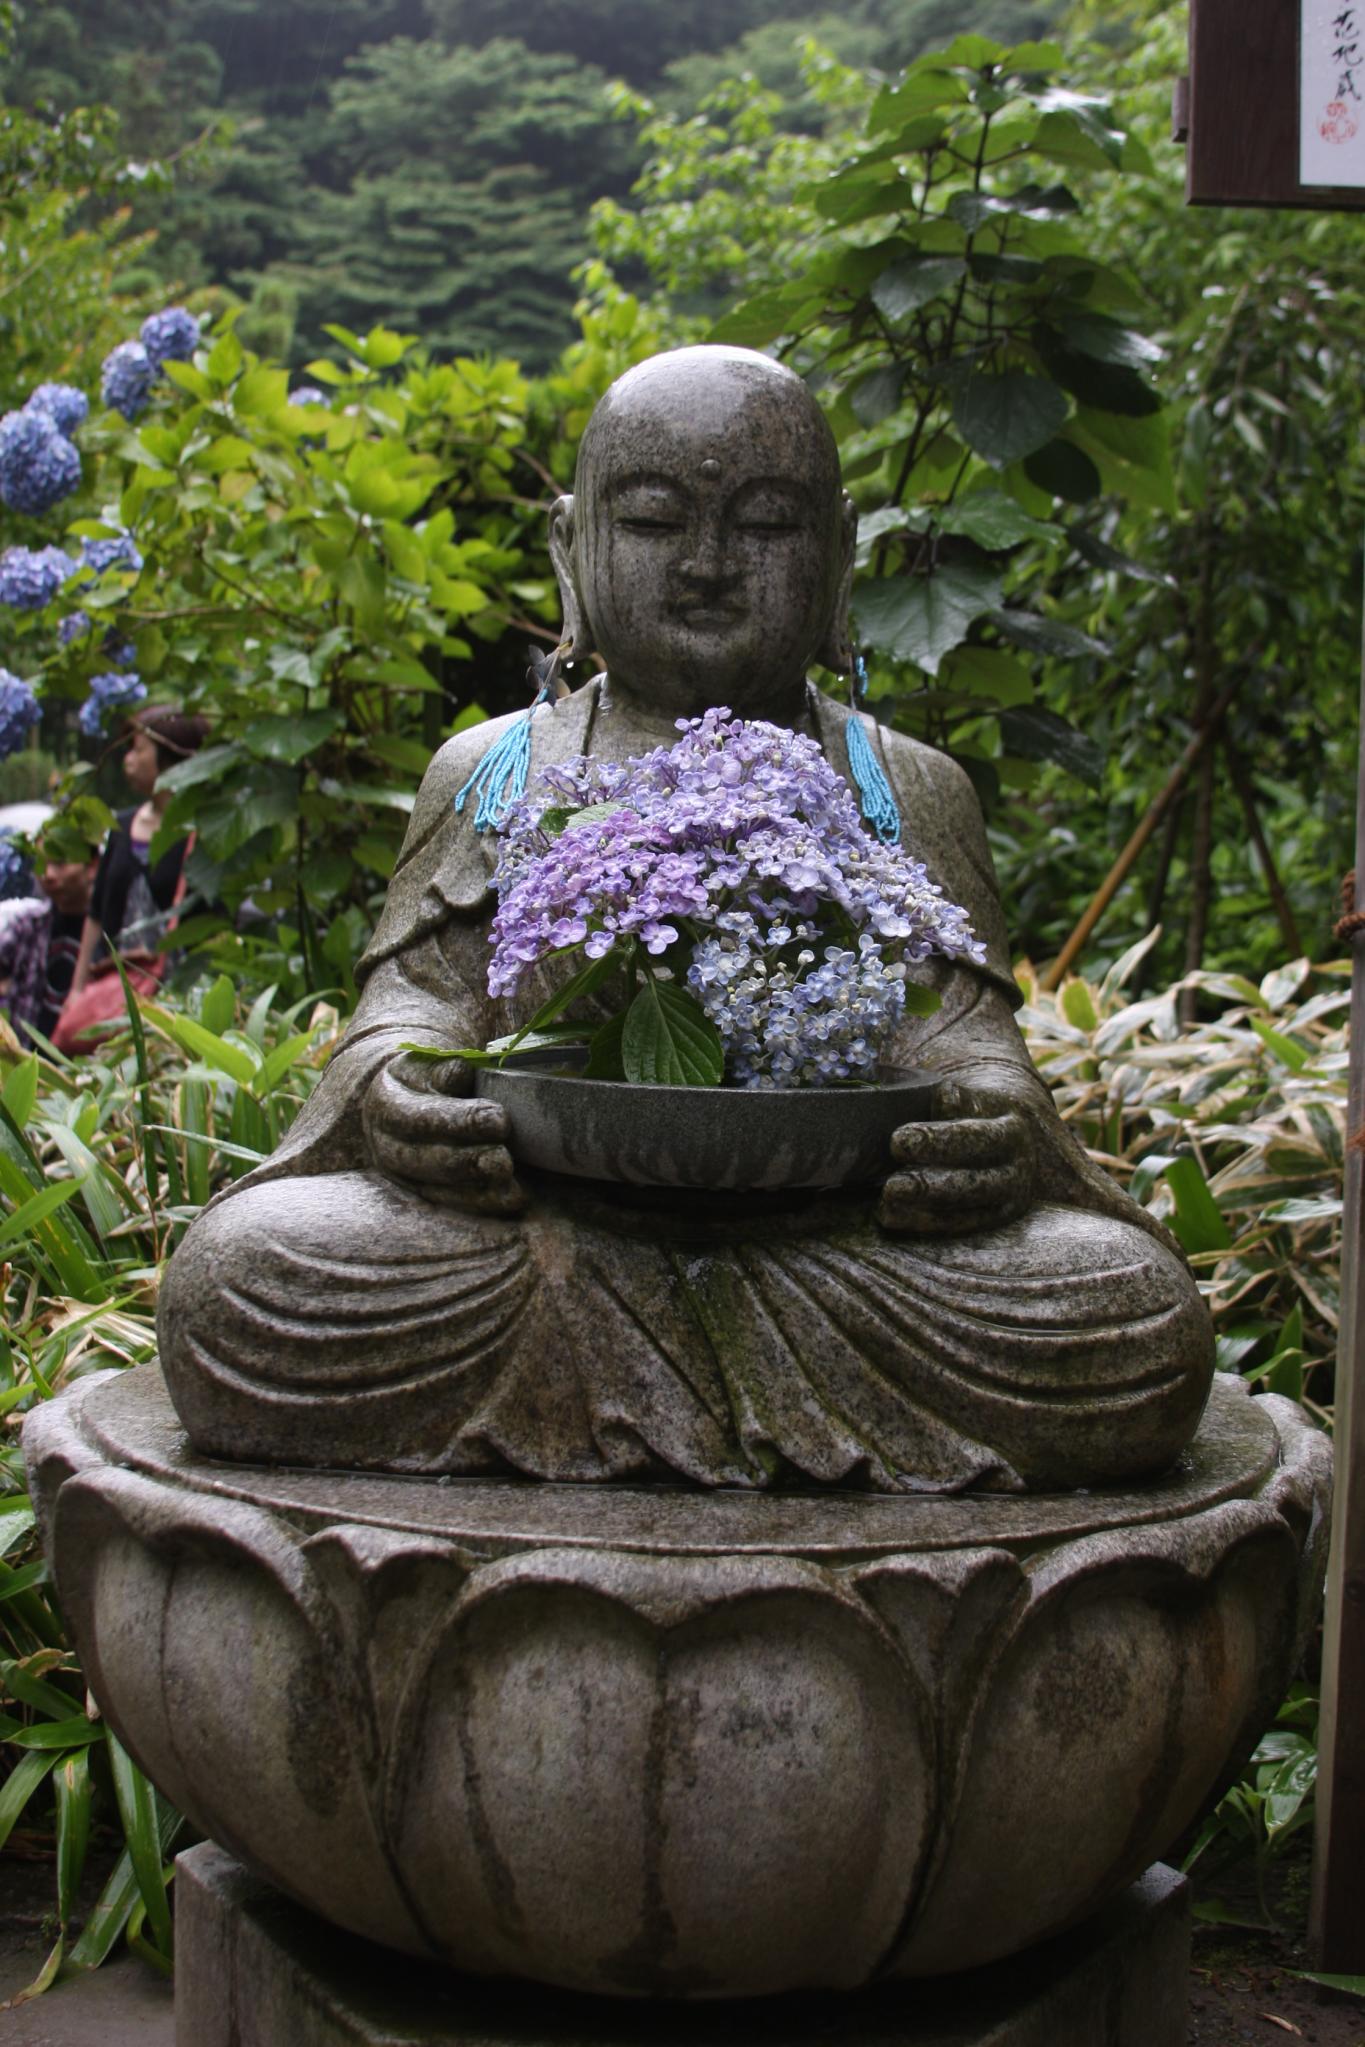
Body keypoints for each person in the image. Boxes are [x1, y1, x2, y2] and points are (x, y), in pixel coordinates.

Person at [158, 346, 1213, 1494]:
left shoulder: (902, 785)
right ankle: (709, 1398)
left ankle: (638, 1397)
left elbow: (967, 1043)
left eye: (764, 526)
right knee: (238, 1282)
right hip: (541, 1243)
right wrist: (397, 1092)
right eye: (657, 521)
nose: (709, 566)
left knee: (1134, 1316)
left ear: (838, 557)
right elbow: (409, 1011)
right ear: (573, 549)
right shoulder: (499, 769)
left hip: (838, 1248)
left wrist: (987, 1128)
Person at [68, 704, 209, 997]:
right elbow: (96, 915)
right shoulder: (121, 827)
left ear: (170, 756)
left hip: (181, 999)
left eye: (138, 749)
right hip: (114, 996)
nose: (127, 760)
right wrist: (77, 989)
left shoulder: (205, 834)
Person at [0, 816, 99, 1046]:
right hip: (29, 1063)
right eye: (42, 864)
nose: (48, 875)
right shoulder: (27, 927)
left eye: (60, 863)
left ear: (92, 866)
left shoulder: (112, 932)